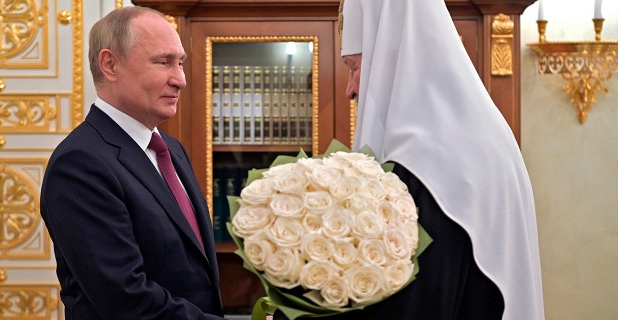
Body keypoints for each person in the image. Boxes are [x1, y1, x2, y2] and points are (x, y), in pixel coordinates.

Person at [275, 0, 544, 319]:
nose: (350, 90)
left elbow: (410, 307)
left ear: (387, 53)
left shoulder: (424, 166)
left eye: (354, 67)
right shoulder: (485, 140)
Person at [40, 6, 227, 319]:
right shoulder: (80, 164)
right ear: (110, 65)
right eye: (163, 62)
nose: (180, 79)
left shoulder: (171, 149)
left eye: (180, 63)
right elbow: (126, 300)